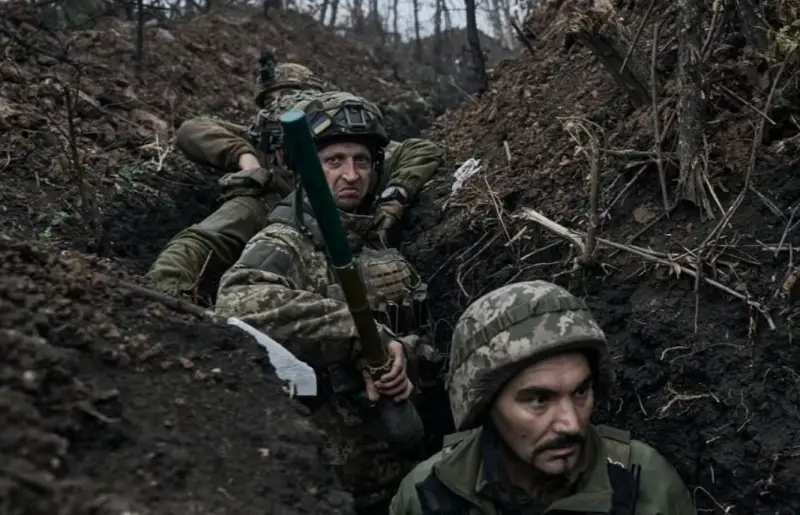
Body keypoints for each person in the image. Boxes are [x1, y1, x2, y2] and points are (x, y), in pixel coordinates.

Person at [214, 91, 443, 514]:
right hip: (338, 483)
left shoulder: (375, 235)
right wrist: (359, 333)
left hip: (411, 473)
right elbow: (236, 301)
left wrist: (404, 356)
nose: (351, 175)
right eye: (334, 161)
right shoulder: (287, 240)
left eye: (362, 161)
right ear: (306, 171)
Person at [389, 280, 697, 515]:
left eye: (580, 391)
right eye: (538, 399)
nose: (571, 424)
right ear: (484, 405)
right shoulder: (427, 494)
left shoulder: (646, 483)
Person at [146, 59, 443, 301]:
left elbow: (418, 151)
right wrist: (245, 157)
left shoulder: (343, 139)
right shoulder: (265, 143)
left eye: (294, 96)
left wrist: (393, 199)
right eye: (273, 100)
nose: (284, 106)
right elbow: (192, 131)